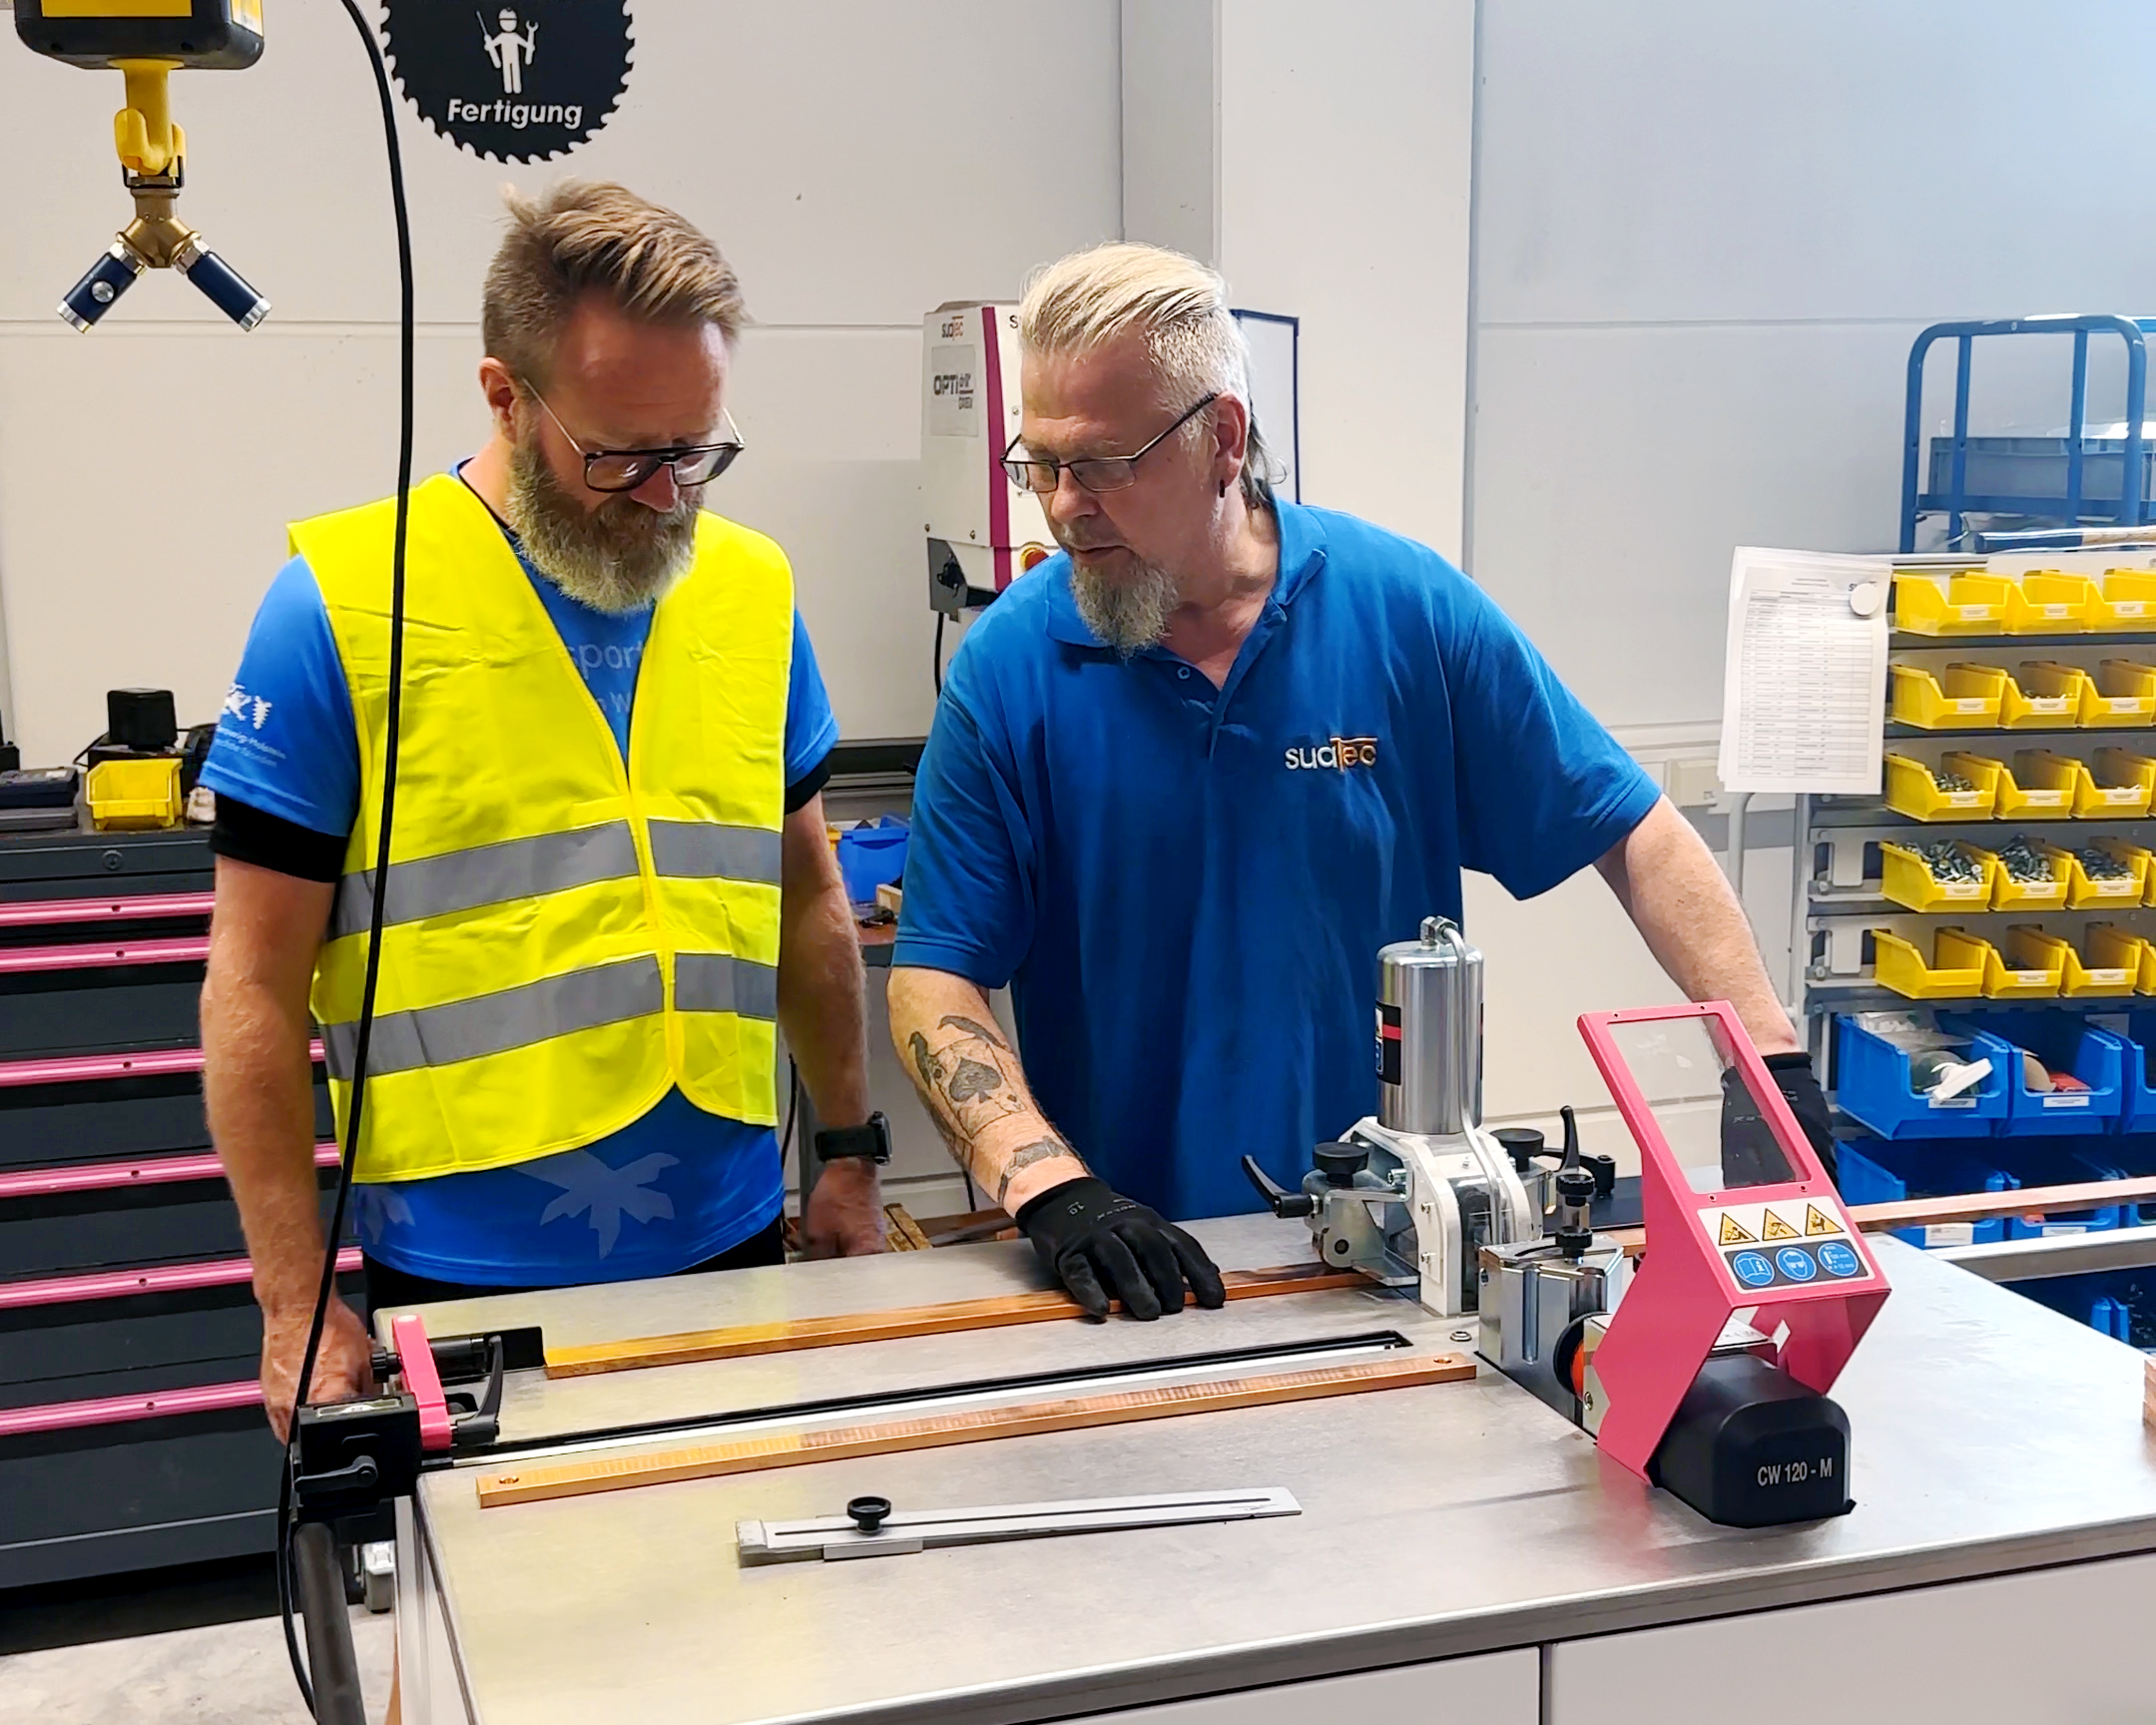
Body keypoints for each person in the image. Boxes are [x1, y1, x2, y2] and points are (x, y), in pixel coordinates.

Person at [887, 241, 1836, 1322]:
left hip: (1401, 1258)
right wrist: (1050, 1189)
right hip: (1143, 1274)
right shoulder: (1010, 670)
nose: (1063, 506)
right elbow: (934, 977)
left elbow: (1635, 833)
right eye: (1041, 463)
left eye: (1103, 464)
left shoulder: (1404, 610)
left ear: (1222, 438)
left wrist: (1768, 1061)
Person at [203, 182, 889, 1441]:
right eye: (620, 455)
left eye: (696, 451)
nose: (667, 496)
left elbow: (806, 901)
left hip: (732, 1234)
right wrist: (293, 1302)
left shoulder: (752, 589)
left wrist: (847, 1149)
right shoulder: (340, 608)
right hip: (462, 1263)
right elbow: (250, 983)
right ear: (506, 397)